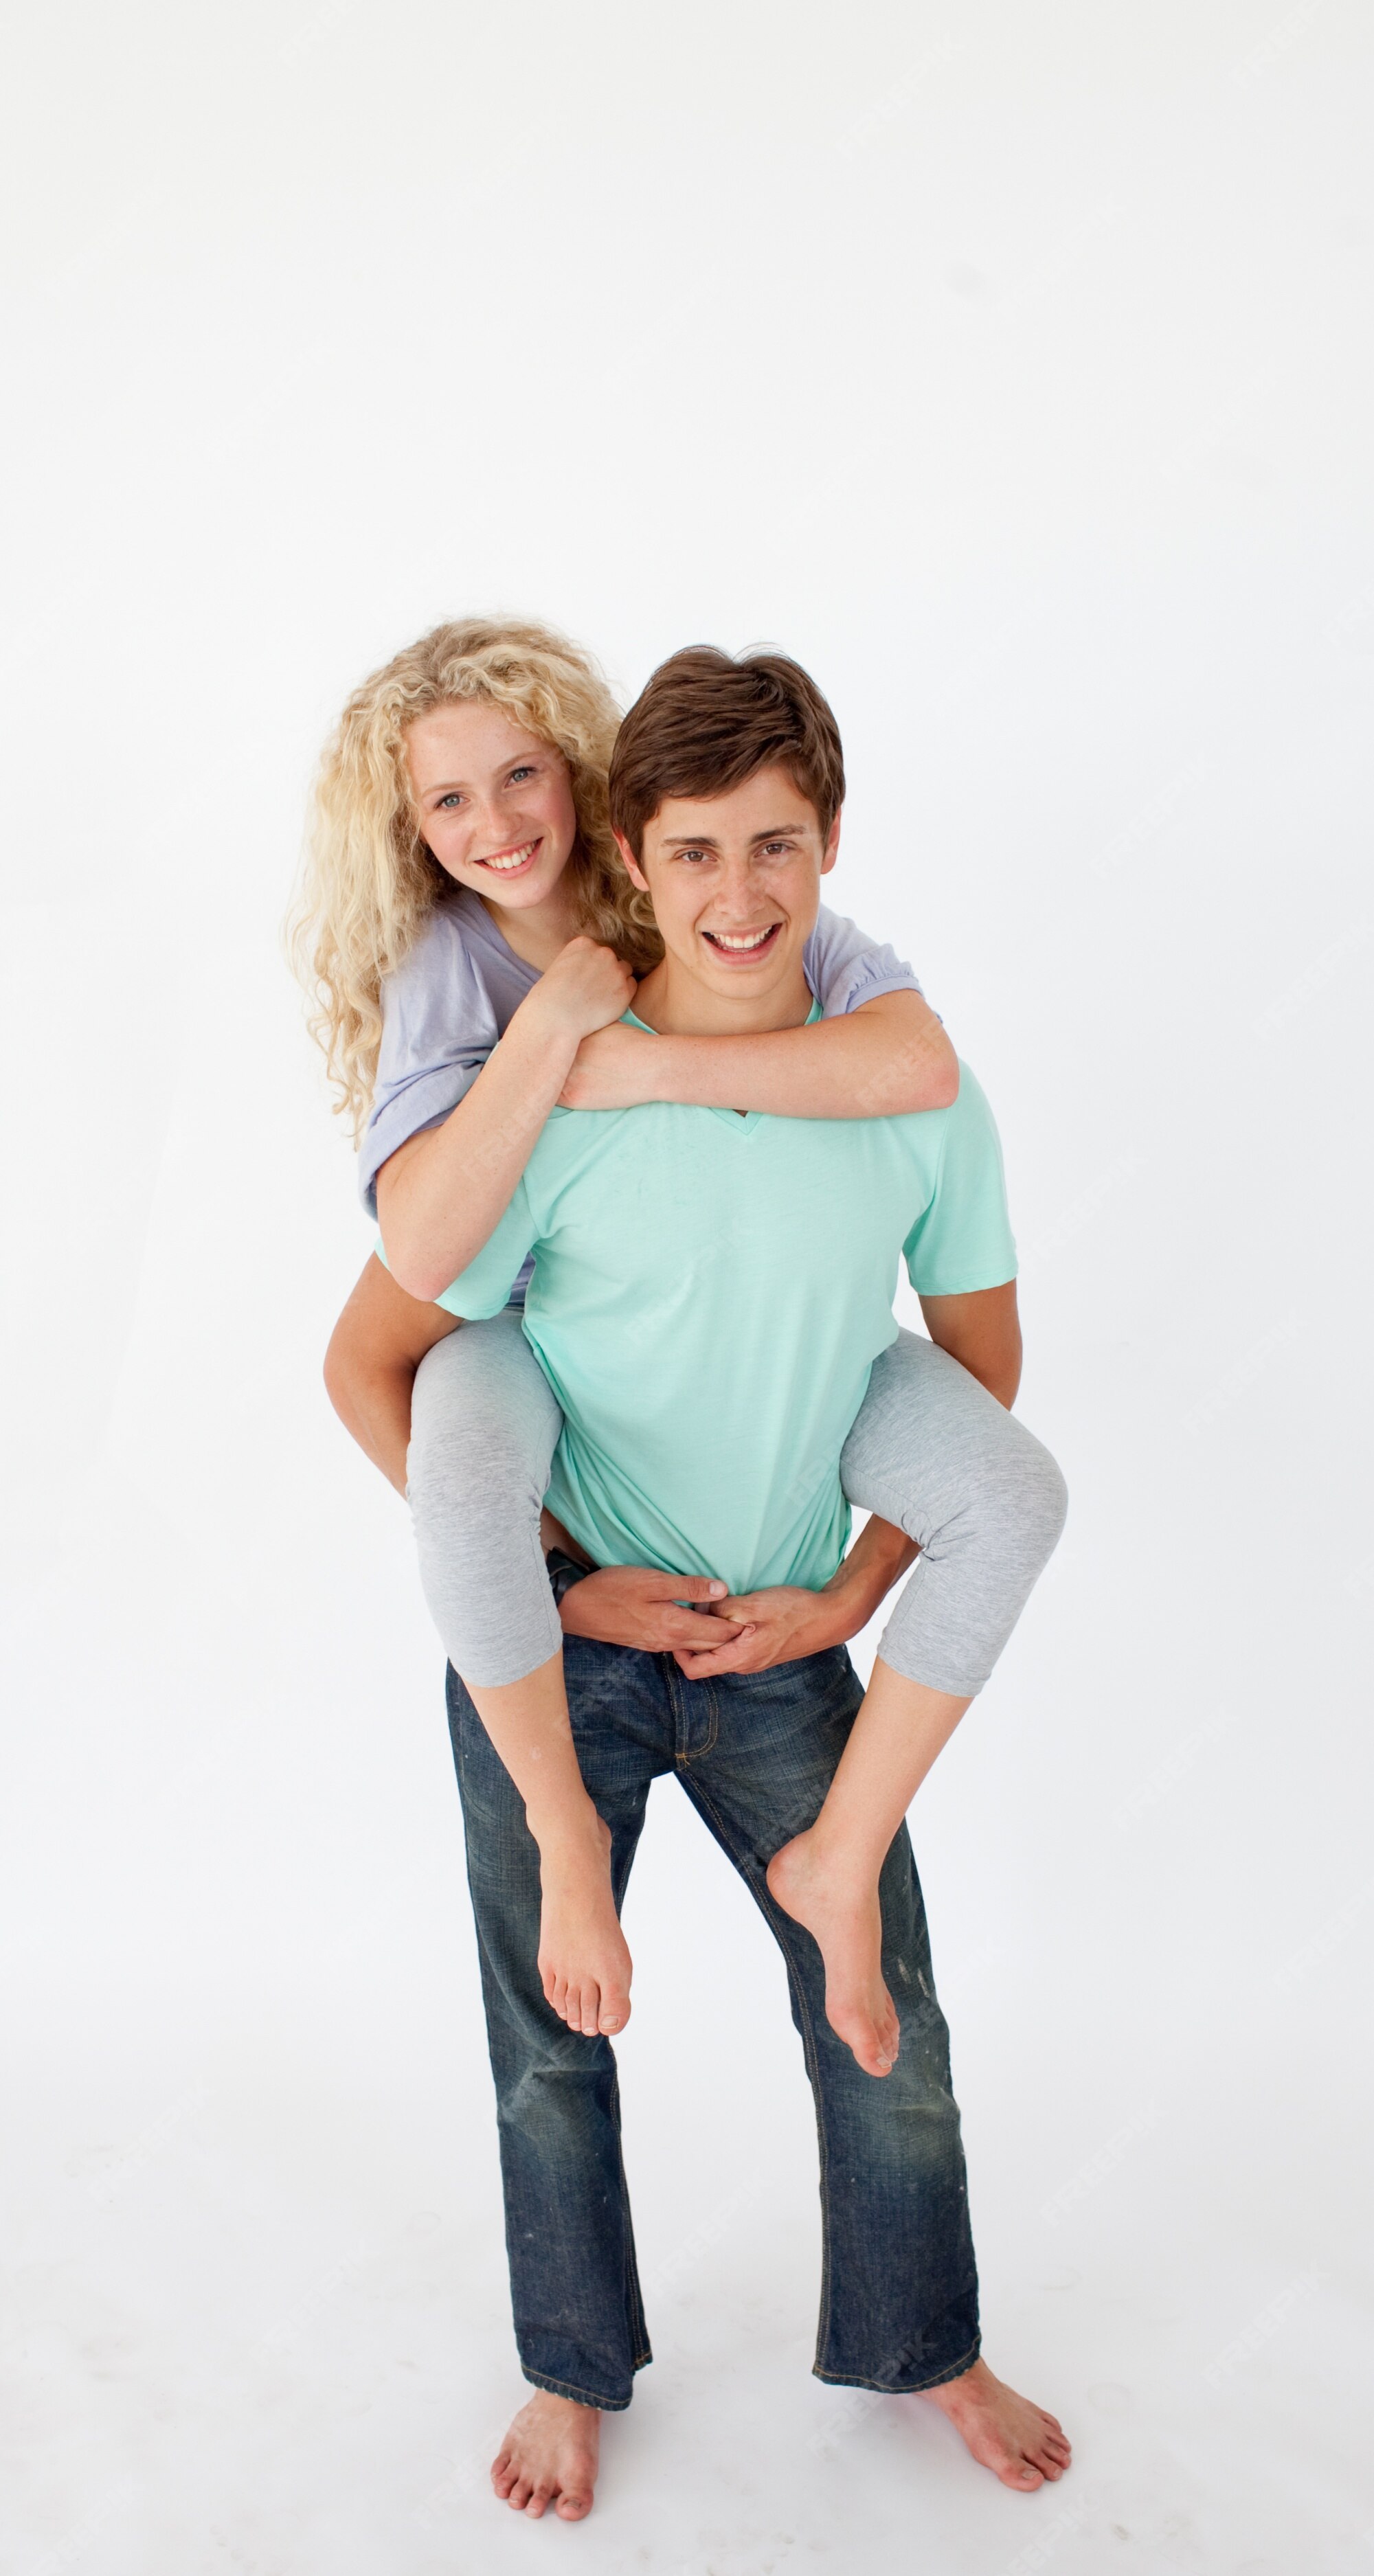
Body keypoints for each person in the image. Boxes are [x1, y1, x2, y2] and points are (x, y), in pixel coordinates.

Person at [321, 644, 1070, 2520]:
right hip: (560, 1645)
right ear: (634, 869)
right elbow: (397, 1349)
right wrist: (551, 1577)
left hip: (775, 1633)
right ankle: (574, 2370)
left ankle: (928, 2342)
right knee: (546, 2047)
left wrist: (849, 1598)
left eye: (782, 849)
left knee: (885, 2024)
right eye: (699, 853)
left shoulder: (906, 1080)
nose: (742, 896)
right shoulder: (539, 1096)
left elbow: (974, 1370)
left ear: (832, 853)